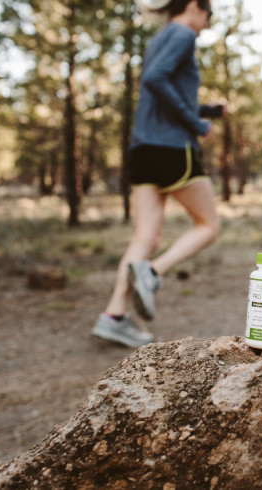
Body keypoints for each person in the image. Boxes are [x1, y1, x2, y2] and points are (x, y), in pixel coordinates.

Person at [92, 0, 224, 348]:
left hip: (143, 149)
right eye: (208, 16)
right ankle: (152, 273)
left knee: (145, 237)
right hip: (171, 148)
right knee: (208, 225)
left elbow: (162, 91)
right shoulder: (182, 34)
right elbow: (155, 79)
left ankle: (113, 317)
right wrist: (195, 123)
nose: (207, 25)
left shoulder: (160, 37)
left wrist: (206, 110)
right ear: (196, 5)